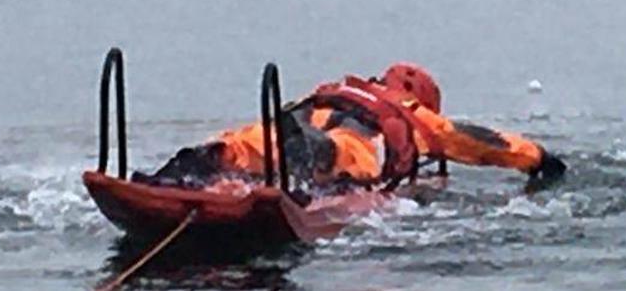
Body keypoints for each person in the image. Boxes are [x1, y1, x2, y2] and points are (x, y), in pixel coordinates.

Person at [137, 62, 567, 195]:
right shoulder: (416, 114)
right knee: (337, 154)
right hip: (349, 147)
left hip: (298, 119)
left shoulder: (337, 89)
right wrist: (539, 159)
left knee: (247, 143)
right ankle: (301, 160)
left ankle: (193, 167)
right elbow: (484, 143)